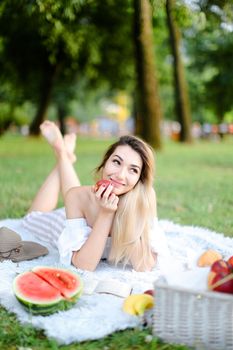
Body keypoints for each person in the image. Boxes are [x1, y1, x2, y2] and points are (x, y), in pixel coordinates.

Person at [23, 120, 170, 272]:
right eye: (116, 162)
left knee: (79, 195)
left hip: (82, 208)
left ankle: (64, 157)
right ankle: (61, 153)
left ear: (140, 178)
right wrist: (106, 213)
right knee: (31, 217)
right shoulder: (77, 196)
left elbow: (144, 265)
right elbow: (84, 265)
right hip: (64, 223)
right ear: (105, 163)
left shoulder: (145, 197)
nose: (120, 175)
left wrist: (128, 212)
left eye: (133, 170)